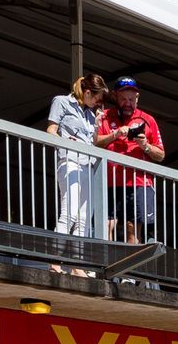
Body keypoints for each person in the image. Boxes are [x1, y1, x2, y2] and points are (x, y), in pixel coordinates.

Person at [97, 77, 165, 243]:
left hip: (138, 182)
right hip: (109, 181)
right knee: (107, 224)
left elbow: (161, 155)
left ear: (137, 98)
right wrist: (115, 135)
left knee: (132, 229)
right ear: (115, 97)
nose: (127, 103)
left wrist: (145, 146)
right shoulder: (105, 116)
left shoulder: (148, 120)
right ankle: (104, 264)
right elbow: (93, 142)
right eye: (123, 99)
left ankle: (131, 268)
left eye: (131, 99)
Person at [45, 73, 111, 239]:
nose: (99, 103)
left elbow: (93, 141)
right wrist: (66, 142)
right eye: (98, 99)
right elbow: (51, 130)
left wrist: (97, 124)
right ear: (88, 93)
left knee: (85, 219)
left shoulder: (89, 114)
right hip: (70, 161)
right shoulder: (62, 102)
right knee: (69, 213)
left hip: (87, 164)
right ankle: (56, 260)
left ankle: (78, 264)